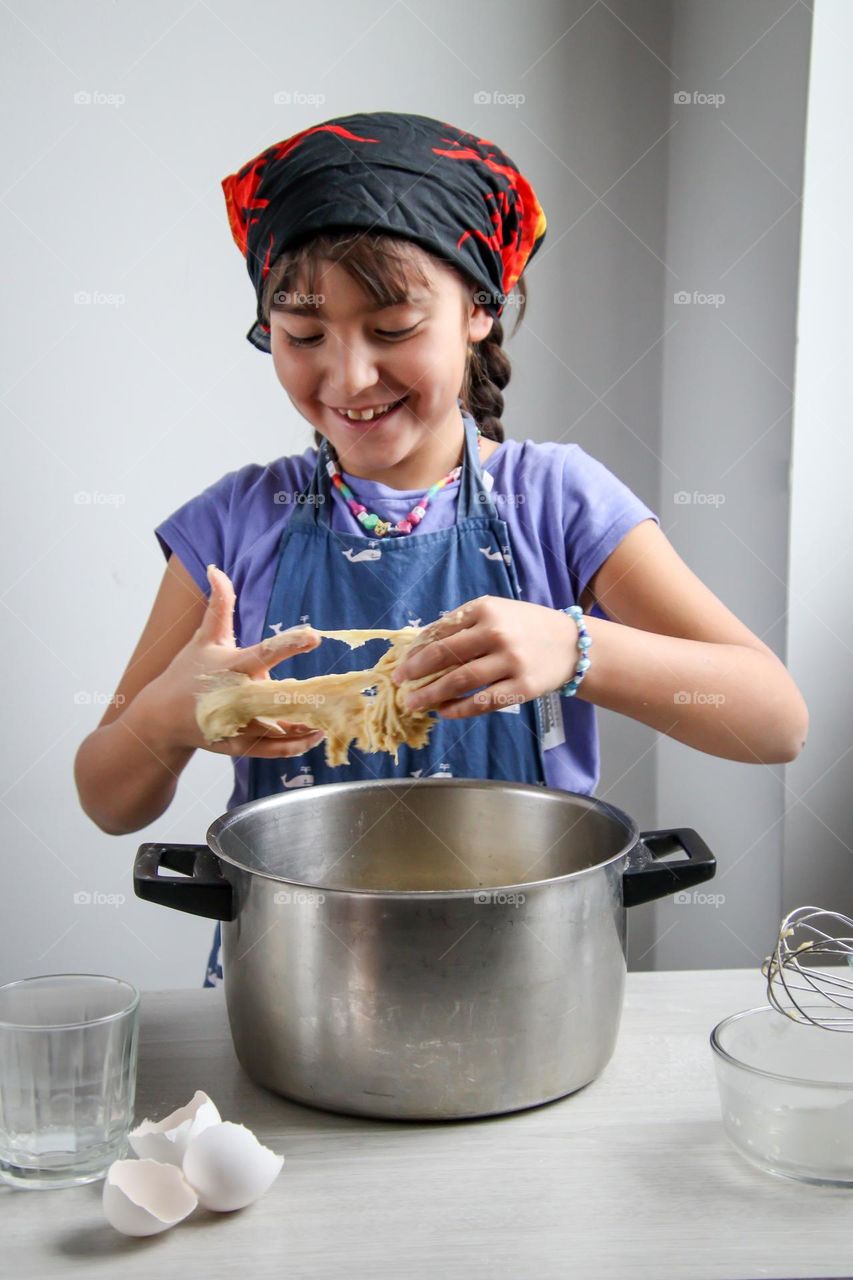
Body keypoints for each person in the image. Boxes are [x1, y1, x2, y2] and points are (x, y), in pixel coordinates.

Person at [74, 110, 809, 988]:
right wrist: (167, 716)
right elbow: (108, 799)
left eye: (390, 330)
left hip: (529, 984)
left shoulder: (559, 502)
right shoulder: (237, 523)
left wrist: (576, 647)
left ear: (478, 311)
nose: (345, 378)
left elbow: (776, 723)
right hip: (300, 994)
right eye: (303, 336)